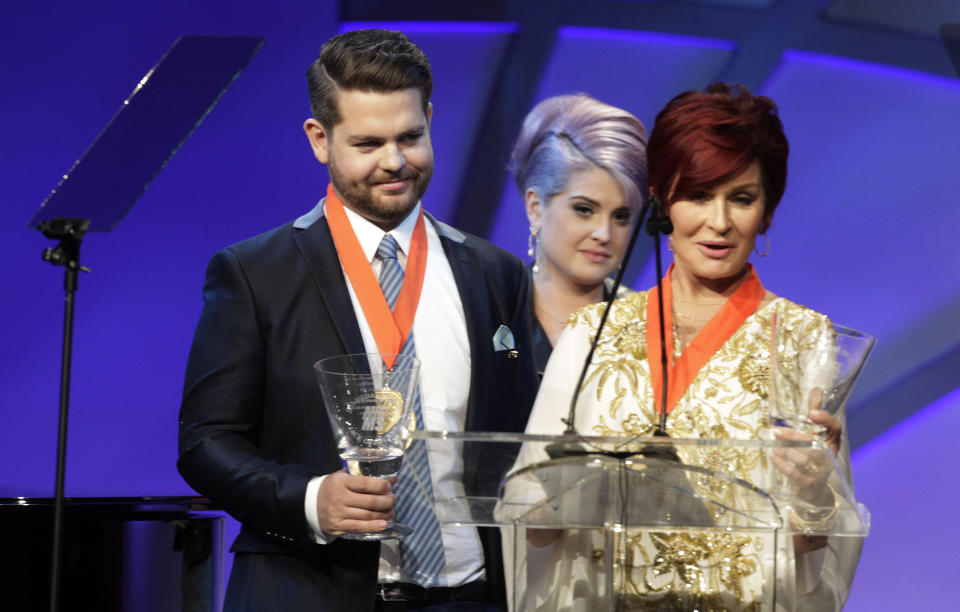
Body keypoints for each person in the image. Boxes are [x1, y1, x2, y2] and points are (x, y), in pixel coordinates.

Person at [177, 29, 538, 611]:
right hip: (310, 589)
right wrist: (310, 499)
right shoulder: (253, 273)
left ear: (430, 119)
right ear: (320, 140)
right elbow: (206, 442)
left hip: (470, 595)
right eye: (368, 143)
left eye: (411, 137)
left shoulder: (495, 274)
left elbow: (520, 441)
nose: (394, 162)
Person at [511, 83, 862, 610]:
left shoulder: (804, 340)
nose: (718, 223)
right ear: (661, 201)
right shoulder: (594, 332)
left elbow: (815, 554)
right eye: (698, 195)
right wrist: (562, 494)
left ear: (766, 213)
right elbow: (530, 523)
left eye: (741, 199)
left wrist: (814, 490)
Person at [510, 94, 648, 376]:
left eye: (621, 217)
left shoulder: (649, 330)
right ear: (535, 207)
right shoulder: (489, 312)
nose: (604, 234)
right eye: (584, 209)